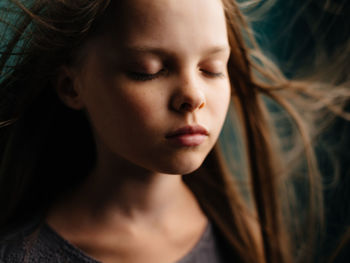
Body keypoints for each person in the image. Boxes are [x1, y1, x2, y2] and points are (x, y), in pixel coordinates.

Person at [0, 0, 346, 262]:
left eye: (211, 69)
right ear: (71, 87)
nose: (193, 96)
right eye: (147, 70)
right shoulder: (19, 253)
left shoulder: (242, 235)